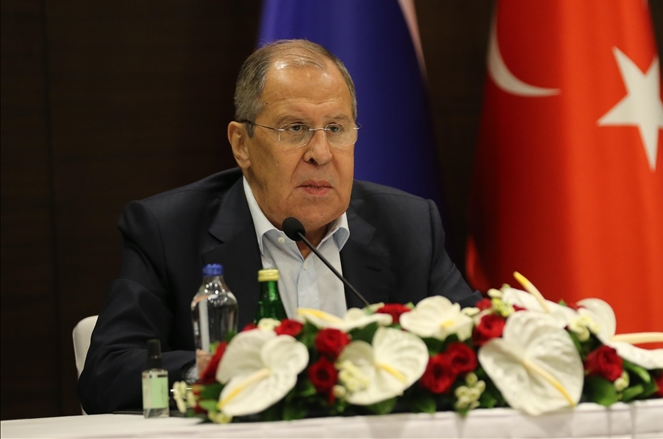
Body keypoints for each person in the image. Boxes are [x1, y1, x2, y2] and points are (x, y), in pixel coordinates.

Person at [78, 39, 480, 414]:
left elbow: (479, 344)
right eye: (295, 129)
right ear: (242, 144)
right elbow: (108, 372)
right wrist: (219, 371)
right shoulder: (168, 230)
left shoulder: (408, 225)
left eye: (336, 129)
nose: (320, 153)